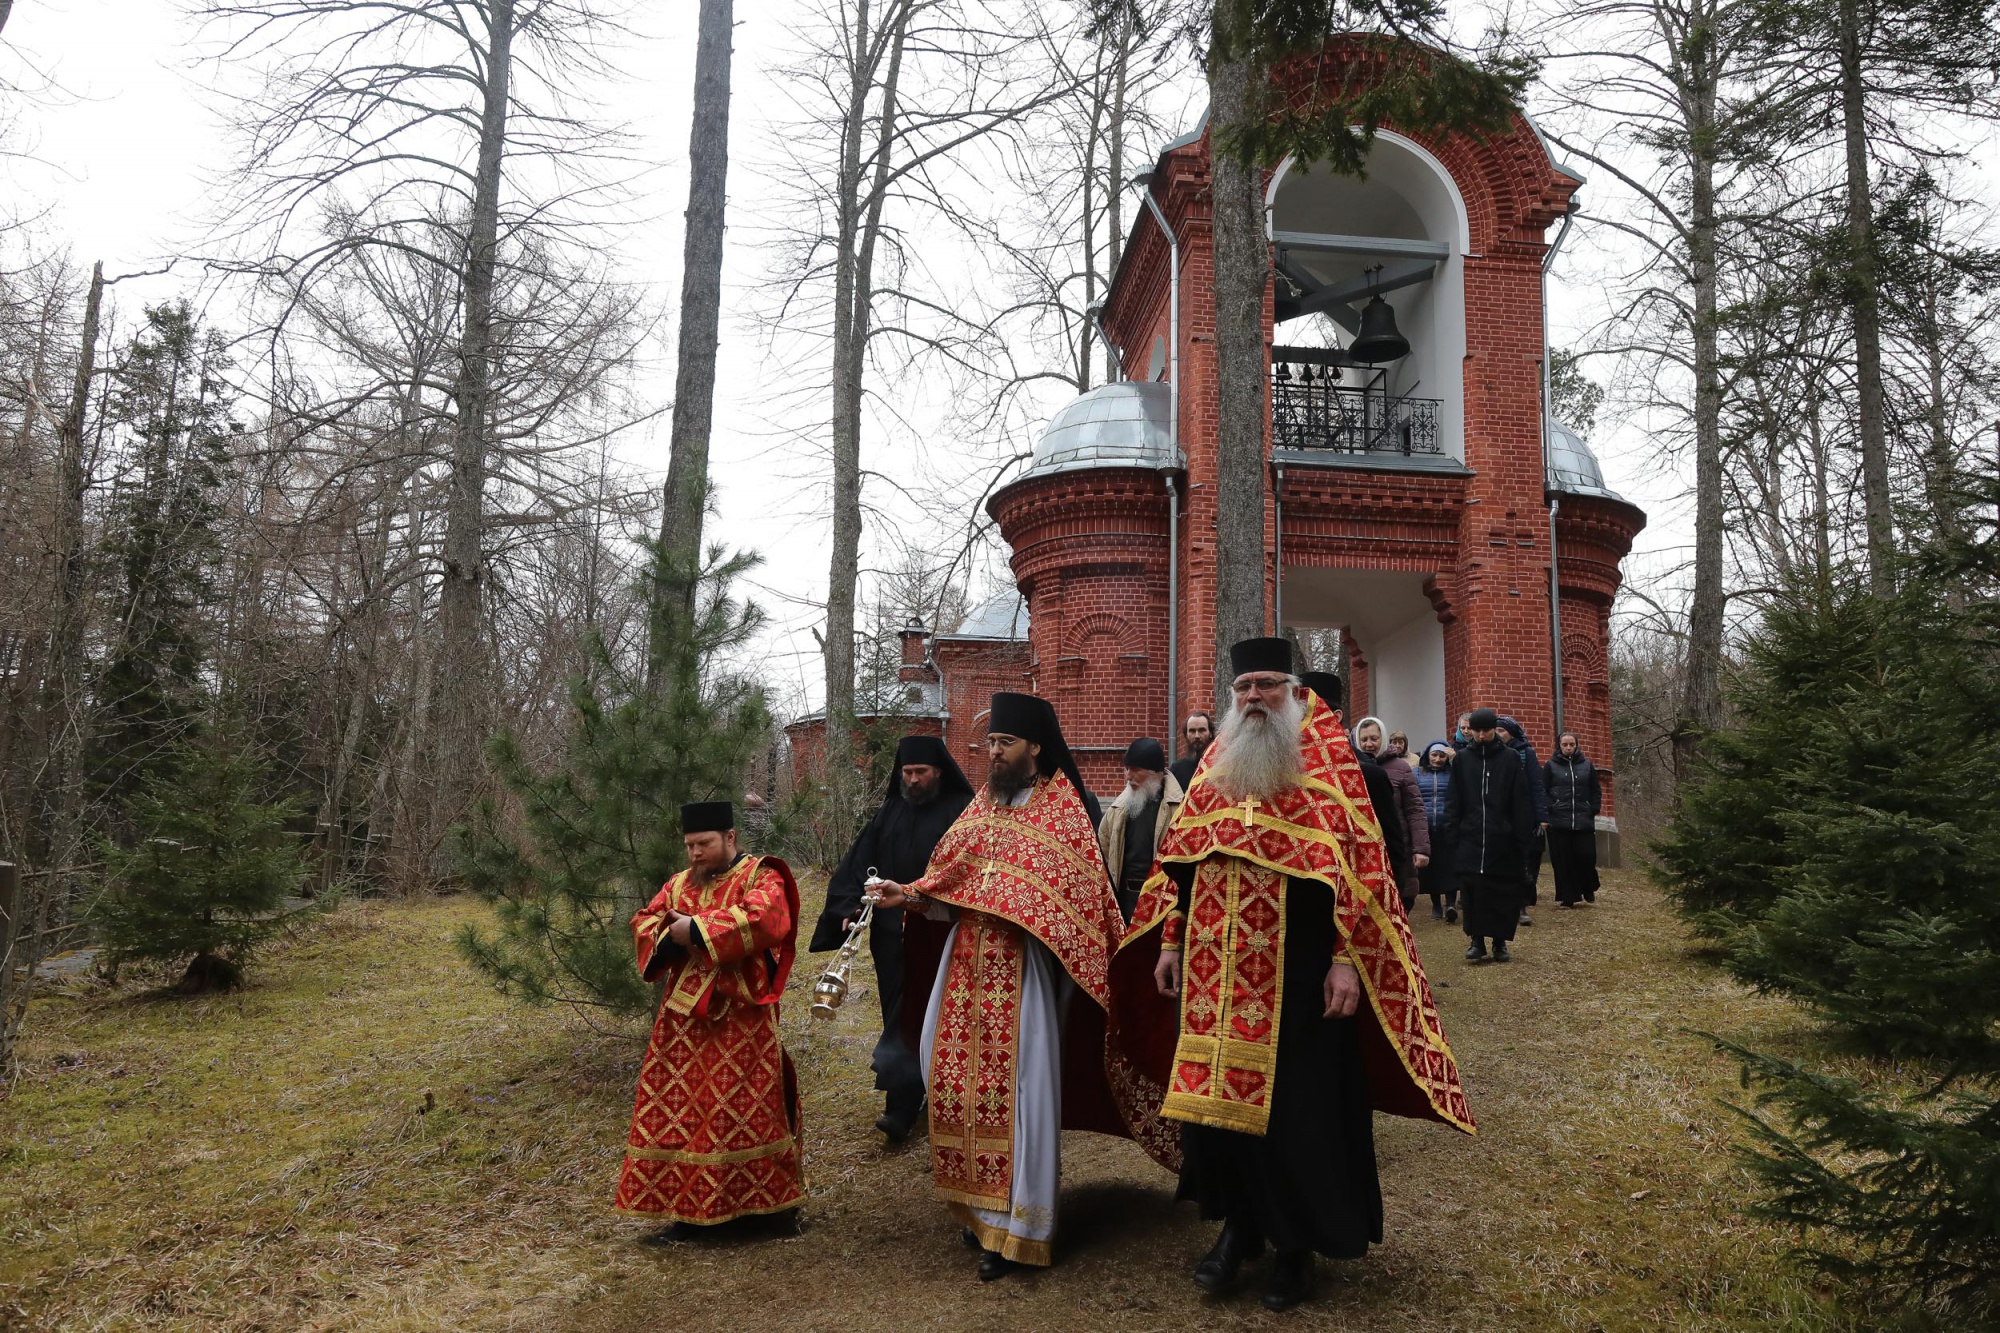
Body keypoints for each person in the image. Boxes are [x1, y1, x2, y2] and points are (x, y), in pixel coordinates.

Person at [1125, 640, 1474, 1312]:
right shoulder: (1212, 767)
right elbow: (1183, 863)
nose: (1254, 696)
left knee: (1297, 1110)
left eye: (1266, 684)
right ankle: (1239, 1227)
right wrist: (1170, 939)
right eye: (1243, 686)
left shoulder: (1331, 766)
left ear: (1290, 690)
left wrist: (1347, 958)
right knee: (1219, 1114)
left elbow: (1362, 872)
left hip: (1300, 971)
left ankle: (1295, 1246)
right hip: (1213, 974)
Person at [868, 693, 1175, 1280]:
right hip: (964, 970)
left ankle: (1018, 1228)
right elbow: (948, 882)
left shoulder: (1062, 814)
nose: (994, 755)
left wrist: (1014, 905)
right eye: (990, 745)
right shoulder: (981, 808)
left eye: (1004, 744)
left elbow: (1079, 901)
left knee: (1018, 1096)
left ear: (1035, 746)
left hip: (1024, 975)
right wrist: (907, 893)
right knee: (951, 1079)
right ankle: (980, 1207)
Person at [615, 802, 805, 1237]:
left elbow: (767, 918)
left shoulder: (761, 875)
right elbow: (645, 920)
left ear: (730, 838)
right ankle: (685, 1212)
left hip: (742, 1015)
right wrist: (668, 936)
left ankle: (767, 1212)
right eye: (689, 846)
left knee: (746, 1107)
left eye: (704, 843)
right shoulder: (679, 883)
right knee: (680, 1109)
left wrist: (696, 928)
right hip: (681, 1024)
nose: (695, 854)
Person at [810, 735, 975, 1142]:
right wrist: (848, 908)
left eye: (921, 772)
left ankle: (917, 1101)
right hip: (889, 934)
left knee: (932, 1014)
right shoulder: (891, 811)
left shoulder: (962, 813)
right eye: (907, 773)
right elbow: (857, 863)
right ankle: (903, 1100)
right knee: (896, 1010)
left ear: (939, 771)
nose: (914, 780)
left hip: (940, 932)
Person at [1445, 710, 1536, 963]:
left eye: (1486, 730)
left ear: (1494, 729)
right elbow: (1454, 799)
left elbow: (1520, 799)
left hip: (1502, 839)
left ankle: (1500, 942)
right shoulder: (1463, 759)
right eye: (1477, 730)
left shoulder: (1509, 759)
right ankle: (1476, 940)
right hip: (1471, 836)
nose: (1482, 735)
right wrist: (1453, 831)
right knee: (1473, 890)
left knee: (1502, 891)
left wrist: (1521, 837)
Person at [1098, 737, 1185, 921]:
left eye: (1136, 770)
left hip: (1163, 904)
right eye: (1127, 769)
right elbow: (1103, 855)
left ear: (1156, 773)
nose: (1128, 776)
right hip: (1124, 904)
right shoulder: (1116, 810)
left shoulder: (1179, 809)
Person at [1353, 716, 1429, 914]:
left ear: (1383, 738)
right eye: (1364, 740)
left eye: (1374, 738)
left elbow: (1415, 809)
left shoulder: (1401, 767)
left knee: (1400, 903)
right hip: (1365, 849)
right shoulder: (1351, 769)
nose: (1369, 744)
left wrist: (1421, 848)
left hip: (1397, 845)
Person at [1496, 716, 1550, 924]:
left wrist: (1542, 816)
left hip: (1522, 815)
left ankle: (1521, 907)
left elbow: (1536, 785)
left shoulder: (1526, 753)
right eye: (1497, 730)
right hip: (1498, 815)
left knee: (1522, 862)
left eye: (1502, 730)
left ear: (1511, 733)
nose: (1499, 734)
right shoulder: (1492, 752)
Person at [1543, 731, 1603, 907]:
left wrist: (1593, 808)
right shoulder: (1550, 766)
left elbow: (1595, 789)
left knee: (1586, 856)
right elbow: (1543, 790)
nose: (1568, 748)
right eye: (1565, 745)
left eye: (1571, 744)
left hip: (1583, 819)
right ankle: (1568, 896)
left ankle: (1588, 886)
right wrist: (1551, 807)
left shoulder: (1587, 766)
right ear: (1559, 746)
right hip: (1559, 820)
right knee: (1563, 860)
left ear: (1576, 745)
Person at [1414, 741, 1459, 921]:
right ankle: (1435, 905)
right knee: (1430, 869)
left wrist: (1456, 761)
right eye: (1434, 755)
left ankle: (1450, 904)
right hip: (1426, 828)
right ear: (1428, 755)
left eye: (1442, 756)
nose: (1438, 759)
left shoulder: (1452, 774)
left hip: (1447, 826)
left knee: (1449, 866)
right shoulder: (1416, 773)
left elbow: (1465, 780)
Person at [1169, 710, 1215, 790]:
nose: (1197, 736)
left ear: (1210, 733)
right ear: (1186, 735)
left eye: (1202, 730)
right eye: (1192, 731)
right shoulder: (1177, 769)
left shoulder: (1221, 766)